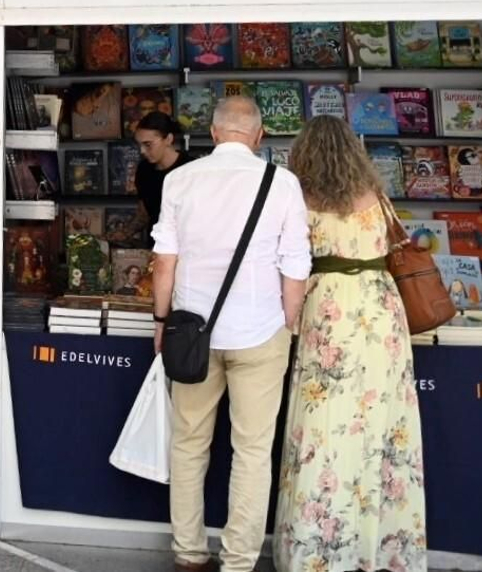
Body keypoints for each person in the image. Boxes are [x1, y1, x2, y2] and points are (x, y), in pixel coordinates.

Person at [151, 96, 311, 572]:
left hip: (192, 332)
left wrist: (161, 322)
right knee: (253, 450)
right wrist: (290, 321)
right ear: (259, 137)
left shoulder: (179, 180)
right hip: (261, 332)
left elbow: (164, 261)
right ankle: (239, 561)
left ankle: (189, 552)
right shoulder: (282, 183)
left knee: (188, 444)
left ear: (214, 134)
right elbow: (295, 265)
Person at [274, 115, 427, 572]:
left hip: (328, 313)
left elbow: (291, 265)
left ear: (305, 153)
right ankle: (381, 548)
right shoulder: (376, 198)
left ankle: (320, 550)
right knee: (384, 428)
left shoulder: (300, 199)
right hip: (381, 313)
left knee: (322, 430)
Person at [134, 111, 195, 241]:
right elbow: (143, 214)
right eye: (139, 145)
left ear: (168, 139)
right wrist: (121, 234)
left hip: (187, 248)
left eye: (148, 144)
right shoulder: (143, 169)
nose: (142, 151)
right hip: (155, 246)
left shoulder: (192, 169)